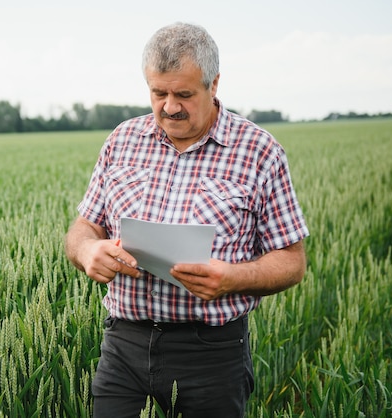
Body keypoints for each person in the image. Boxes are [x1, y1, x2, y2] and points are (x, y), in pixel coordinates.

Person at [64, 22, 309, 417]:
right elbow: (84, 226)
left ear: (213, 85)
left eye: (184, 94)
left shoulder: (260, 152)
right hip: (123, 345)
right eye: (158, 93)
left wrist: (232, 278)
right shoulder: (122, 140)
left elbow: (292, 261)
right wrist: (88, 249)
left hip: (211, 355)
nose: (169, 106)